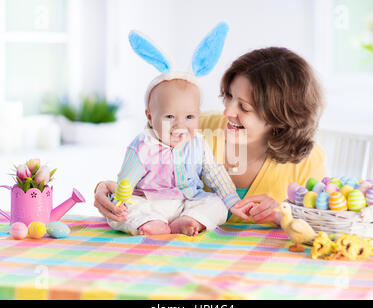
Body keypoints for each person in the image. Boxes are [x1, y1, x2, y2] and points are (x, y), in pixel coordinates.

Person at [95, 46, 326, 227]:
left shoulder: (306, 159)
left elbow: (325, 223)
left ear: (279, 118)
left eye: (243, 107)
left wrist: (283, 214)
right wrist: (107, 188)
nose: (227, 111)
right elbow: (145, 160)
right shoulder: (196, 127)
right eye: (228, 96)